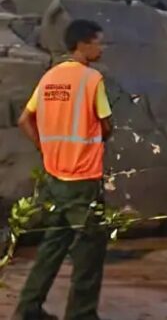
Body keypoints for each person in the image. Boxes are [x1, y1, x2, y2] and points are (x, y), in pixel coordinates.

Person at [13, 19, 113, 320]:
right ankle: (81, 314)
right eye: (99, 41)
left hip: (54, 175)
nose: (102, 47)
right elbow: (106, 123)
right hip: (83, 177)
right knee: (90, 248)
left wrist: (45, 147)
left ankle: (28, 308)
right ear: (83, 44)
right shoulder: (92, 79)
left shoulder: (49, 78)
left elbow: (23, 120)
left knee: (53, 245)